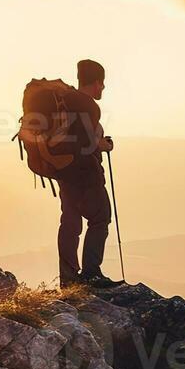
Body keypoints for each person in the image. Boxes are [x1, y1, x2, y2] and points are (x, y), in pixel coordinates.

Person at [57, 59, 121, 288]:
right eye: (102, 83)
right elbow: (86, 144)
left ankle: (68, 278)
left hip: (64, 173)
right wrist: (103, 145)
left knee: (70, 223)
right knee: (100, 218)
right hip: (85, 174)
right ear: (96, 82)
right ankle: (91, 274)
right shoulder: (89, 106)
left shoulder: (65, 101)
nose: (103, 88)